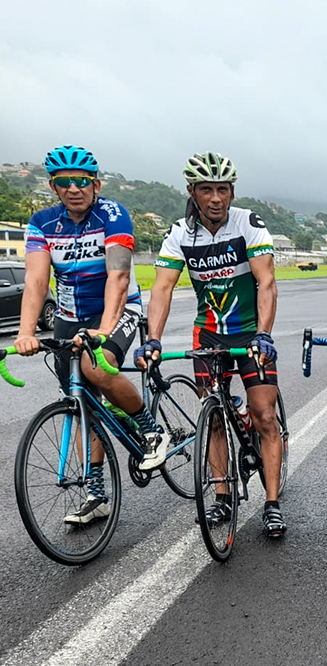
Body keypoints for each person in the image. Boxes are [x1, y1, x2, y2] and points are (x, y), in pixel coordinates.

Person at [135, 152, 286, 537]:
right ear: (193, 192)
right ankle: (222, 496)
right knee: (214, 416)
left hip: (250, 332)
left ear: (232, 192)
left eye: (222, 189)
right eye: (207, 189)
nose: (215, 198)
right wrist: (153, 339)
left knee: (265, 415)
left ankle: (271, 504)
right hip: (208, 333)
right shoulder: (180, 233)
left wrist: (264, 333)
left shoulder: (247, 223)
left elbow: (266, 282)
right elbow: (163, 288)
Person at [17, 145, 160, 525]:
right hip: (68, 316)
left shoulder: (113, 214)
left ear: (95, 184)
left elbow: (119, 274)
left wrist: (103, 330)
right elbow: (34, 280)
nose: (74, 189)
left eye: (82, 181)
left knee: (96, 367)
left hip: (117, 308)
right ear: (53, 187)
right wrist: (26, 332)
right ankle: (96, 495)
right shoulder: (42, 223)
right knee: (82, 402)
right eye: (65, 183)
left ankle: (151, 431)